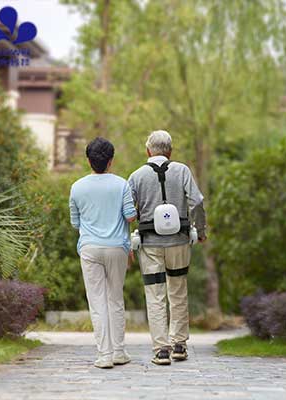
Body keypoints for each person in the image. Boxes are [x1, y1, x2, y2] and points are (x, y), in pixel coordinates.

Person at [128, 130, 206, 366]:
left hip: (150, 244)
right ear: (170, 151)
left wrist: (127, 241)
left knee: (155, 294)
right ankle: (179, 345)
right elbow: (198, 201)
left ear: (147, 151)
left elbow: (129, 212)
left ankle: (161, 349)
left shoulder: (136, 176)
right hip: (179, 241)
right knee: (178, 290)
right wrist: (200, 231)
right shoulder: (182, 170)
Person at [69, 137, 137, 369]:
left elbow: (75, 223)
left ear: (88, 160)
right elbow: (130, 216)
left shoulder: (77, 187)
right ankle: (119, 352)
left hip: (89, 248)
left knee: (97, 301)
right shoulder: (122, 184)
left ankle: (104, 355)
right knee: (115, 298)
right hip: (117, 247)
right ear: (111, 161)